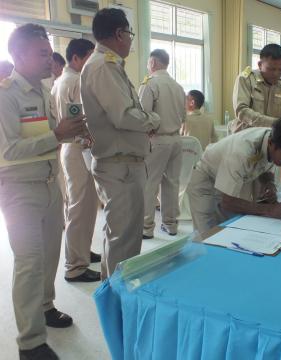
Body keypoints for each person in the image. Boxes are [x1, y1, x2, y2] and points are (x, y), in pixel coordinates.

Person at [0, 23, 87, 360]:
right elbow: (9, 150)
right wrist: (57, 134)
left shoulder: (43, 91)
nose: (49, 59)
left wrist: (74, 133)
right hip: (19, 192)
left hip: (51, 185)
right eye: (41, 53)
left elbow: (50, 135)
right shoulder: (6, 95)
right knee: (29, 264)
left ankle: (46, 307)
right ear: (19, 54)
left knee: (50, 256)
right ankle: (30, 342)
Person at [81, 8, 161, 279]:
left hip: (123, 164)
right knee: (123, 242)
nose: (130, 39)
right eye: (130, 33)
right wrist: (153, 120)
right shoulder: (104, 66)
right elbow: (124, 115)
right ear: (119, 34)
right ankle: (117, 302)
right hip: (120, 167)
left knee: (121, 237)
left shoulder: (109, 64)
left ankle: (114, 296)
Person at [187, 117, 281, 234]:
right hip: (205, 181)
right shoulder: (242, 151)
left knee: (227, 231)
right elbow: (228, 202)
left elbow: (265, 167)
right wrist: (270, 209)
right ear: (271, 144)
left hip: (228, 182)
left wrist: (269, 184)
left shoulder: (275, 140)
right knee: (207, 236)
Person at [51, 38, 101, 282]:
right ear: (76, 58)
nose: (93, 61)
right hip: (78, 148)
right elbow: (82, 120)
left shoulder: (60, 80)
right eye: (89, 56)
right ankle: (75, 266)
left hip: (70, 149)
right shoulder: (76, 81)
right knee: (81, 207)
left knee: (82, 205)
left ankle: (81, 251)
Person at [139, 49, 186, 237]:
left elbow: (142, 115)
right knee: (172, 184)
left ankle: (146, 227)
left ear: (152, 63)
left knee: (149, 183)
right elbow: (183, 116)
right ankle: (170, 224)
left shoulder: (150, 84)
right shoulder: (178, 86)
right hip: (176, 139)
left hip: (157, 139)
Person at [231, 43, 281, 133]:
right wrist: (276, 123)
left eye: (280, 69)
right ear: (260, 64)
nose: (276, 74)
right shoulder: (246, 80)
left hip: (271, 139)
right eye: (271, 69)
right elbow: (242, 111)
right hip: (245, 137)